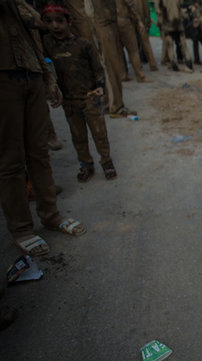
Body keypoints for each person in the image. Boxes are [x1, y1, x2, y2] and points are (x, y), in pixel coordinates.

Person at [1, 0, 86, 257]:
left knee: (39, 152)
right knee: (11, 158)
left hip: (31, 70)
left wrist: (48, 77)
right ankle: (22, 228)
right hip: (3, 74)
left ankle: (51, 214)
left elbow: (37, 24)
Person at [41, 1, 117, 183]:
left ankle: (107, 163)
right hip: (69, 100)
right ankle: (86, 164)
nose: (55, 26)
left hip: (90, 97)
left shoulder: (83, 45)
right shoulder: (47, 46)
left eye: (59, 21)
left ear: (69, 21)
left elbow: (98, 68)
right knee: (78, 136)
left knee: (99, 134)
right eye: (49, 21)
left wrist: (100, 86)